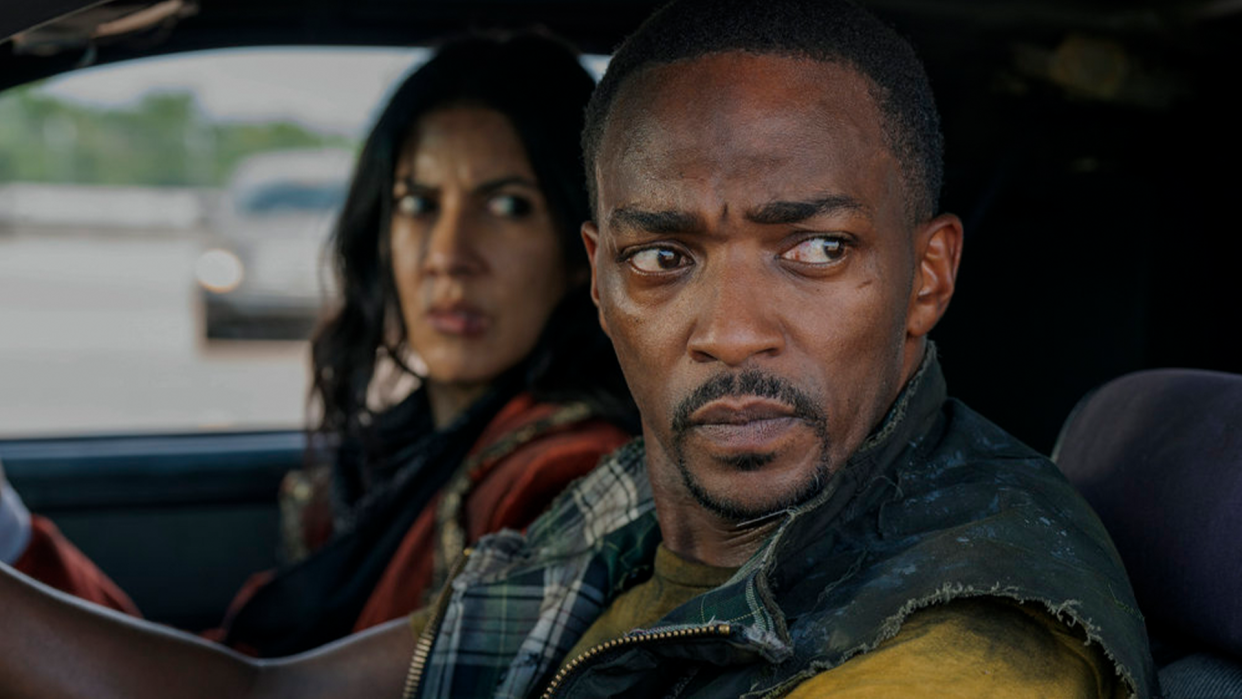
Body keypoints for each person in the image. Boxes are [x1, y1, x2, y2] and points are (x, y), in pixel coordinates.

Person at [0, 1, 1157, 696]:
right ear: (601, 278)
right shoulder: (638, 511)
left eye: (811, 250)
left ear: (927, 276)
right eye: (666, 258)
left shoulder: (964, 646)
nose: (732, 330)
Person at [0, 32, 635, 655]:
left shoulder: (565, 475)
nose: (447, 255)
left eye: (507, 207)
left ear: (582, 251)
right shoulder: (397, 453)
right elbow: (236, 668)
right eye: (417, 203)